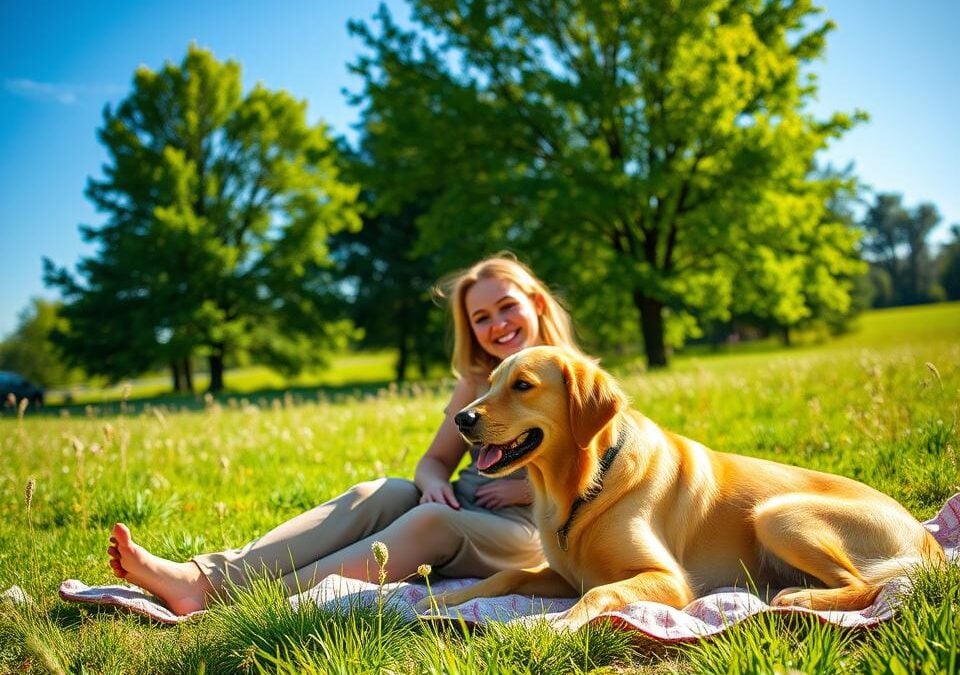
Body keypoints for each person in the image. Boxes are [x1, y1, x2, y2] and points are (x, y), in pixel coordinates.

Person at [107, 254, 584, 615]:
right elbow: (434, 462)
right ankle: (204, 577)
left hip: (527, 530)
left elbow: (602, 469)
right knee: (381, 492)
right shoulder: (478, 383)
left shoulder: (576, 381)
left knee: (429, 523)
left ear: (536, 303)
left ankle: (253, 602)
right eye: (481, 317)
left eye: (506, 307)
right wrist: (435, 484)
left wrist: (525, 485)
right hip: (463, 505)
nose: (497, 324)